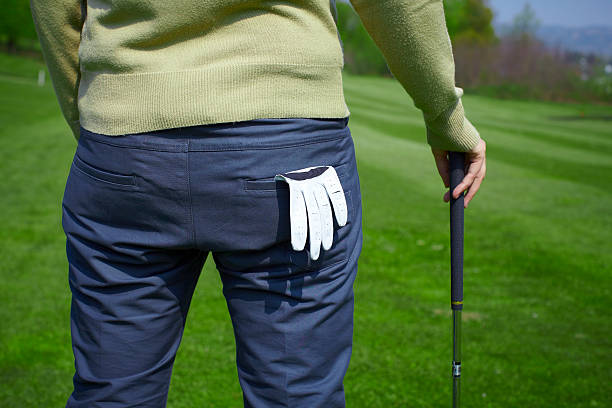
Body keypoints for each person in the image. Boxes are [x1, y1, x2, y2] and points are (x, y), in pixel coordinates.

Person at [29, 0, 487, 406]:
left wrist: (96, 119)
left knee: (113, 394)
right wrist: (446, 117)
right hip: (290, 148)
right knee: (296, 395)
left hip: (123, 149)